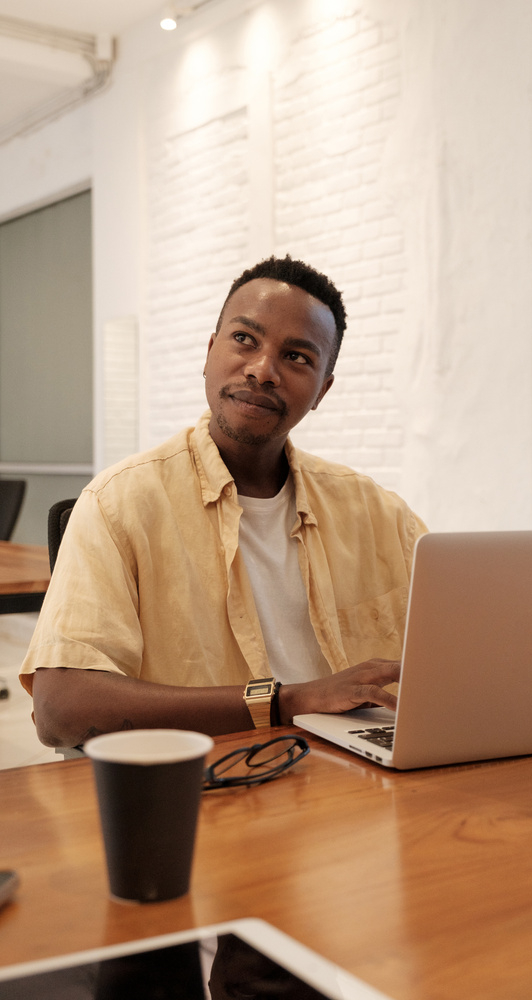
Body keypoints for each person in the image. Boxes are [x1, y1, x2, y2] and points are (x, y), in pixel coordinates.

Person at [21, 255, 427, 748]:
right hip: (205, 783)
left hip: (355, 776)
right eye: (245, 340)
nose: (263, 370)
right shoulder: (118, 504)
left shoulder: (381, 516)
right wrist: (285, 701)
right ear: (210, 351)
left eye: (297, 357)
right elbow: (62, 709)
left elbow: (467, 652)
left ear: (323, 389)